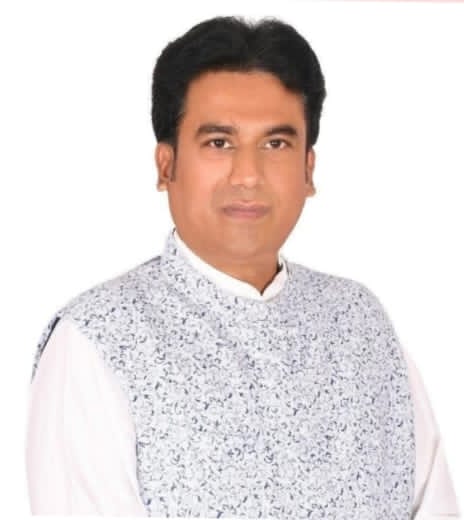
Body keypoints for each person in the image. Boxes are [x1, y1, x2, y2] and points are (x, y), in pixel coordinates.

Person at [26, 16, 458, 518]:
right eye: (219, 143)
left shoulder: (362, 324)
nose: (248, 175)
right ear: (166, 166)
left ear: (308, 170)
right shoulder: (98, 339)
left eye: (276, 144)